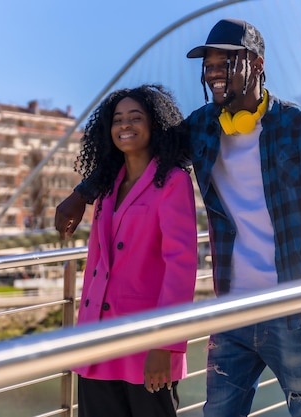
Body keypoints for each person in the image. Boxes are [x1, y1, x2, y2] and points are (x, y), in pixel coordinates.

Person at [56, 19, 301, 417]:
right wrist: (83, 193)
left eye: (225, 63)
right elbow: (143, 149)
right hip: (230, 310)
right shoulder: (202, 127)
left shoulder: (300, 127)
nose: (213, 74)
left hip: (292, 312)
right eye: (208, 65)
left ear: (257, 63)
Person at [70, 84, 198, 417]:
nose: (125, 125)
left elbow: (181, 267)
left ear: (154, 124)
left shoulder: (172, 181)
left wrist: (165, 344)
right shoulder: (108, 186)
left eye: (135, 117)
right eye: (118, 119)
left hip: (146, 343)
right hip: (97, 339)